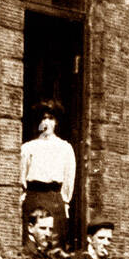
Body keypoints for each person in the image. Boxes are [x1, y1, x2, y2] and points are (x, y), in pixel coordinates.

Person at [20, 100, 75, 249]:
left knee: (54, 245)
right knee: (31, 244)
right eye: (43, 118)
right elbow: (21, 178)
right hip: (33, 198)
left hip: (54, 199)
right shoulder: (28, 148)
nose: (46, 122)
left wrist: (64, 202)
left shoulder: (65, 148)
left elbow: (69, 180)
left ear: (56, 121)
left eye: (50, 118)